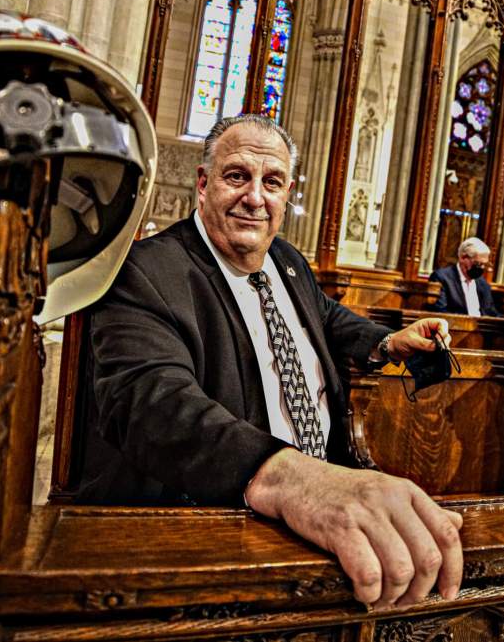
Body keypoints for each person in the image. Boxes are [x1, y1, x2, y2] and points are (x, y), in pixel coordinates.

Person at [77, 115, 463, 609]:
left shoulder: (286, 261)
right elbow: (150, 401)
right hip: (211, 525)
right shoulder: (146, 271)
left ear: (287, 194)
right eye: (237, 176)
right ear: (203, 183)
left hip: (321, 512)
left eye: (272, 182)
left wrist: (387, 343)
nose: (255, 197)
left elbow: (325, 318)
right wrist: (289, 479)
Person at [427, 238, 499, 316]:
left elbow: (491, 312)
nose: (481, 268)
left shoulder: (482, 283)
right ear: (463, 258)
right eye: (478, 264)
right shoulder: (442, 277)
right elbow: (440, 312)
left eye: (484, 265)